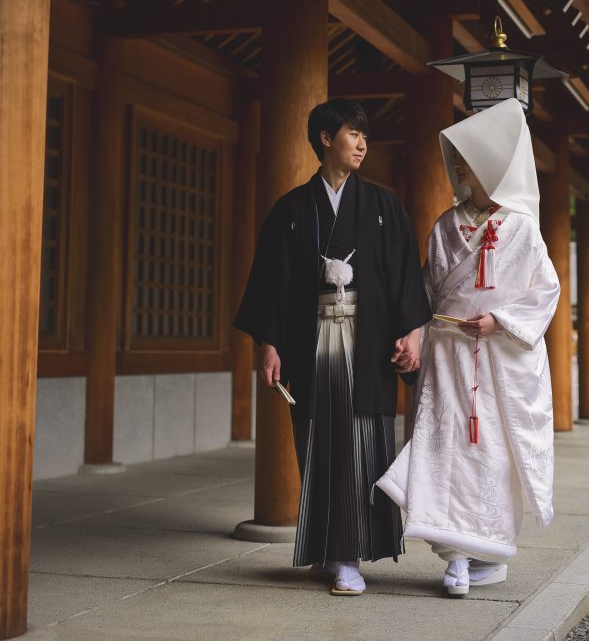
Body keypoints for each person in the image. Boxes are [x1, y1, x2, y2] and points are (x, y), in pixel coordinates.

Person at [234, 98, 431, 596]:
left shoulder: (384, 207)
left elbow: (406, 275)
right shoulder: (292, 210)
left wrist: (412, 332)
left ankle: (349, 555)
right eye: (352, 134)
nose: (362, 143)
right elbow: (270, 283)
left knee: (364, 444)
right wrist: (269, 343)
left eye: (365, 136)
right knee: (321, 444)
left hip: (367, 346)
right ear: (326, 140)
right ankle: (330, 548)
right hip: (312, 341)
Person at [376, 98, 560, 598]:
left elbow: (545, 294)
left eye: (467, 158)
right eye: (457, 157)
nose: (457, 166)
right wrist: (414, 332)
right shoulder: (444, 225)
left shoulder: (522, 228)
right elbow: (426, 293)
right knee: (444, 446)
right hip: (448, 355)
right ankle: (454, 557)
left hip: (500, 360)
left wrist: (499, 320)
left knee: (493, 455)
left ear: (491, 165)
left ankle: (490, 550)